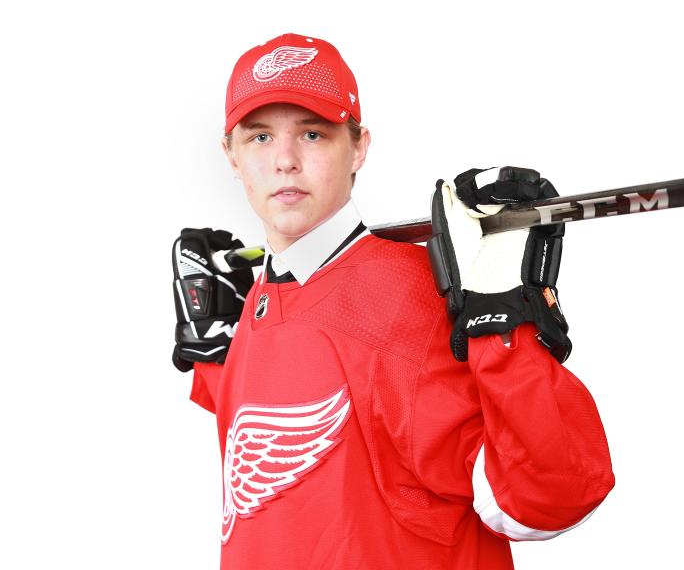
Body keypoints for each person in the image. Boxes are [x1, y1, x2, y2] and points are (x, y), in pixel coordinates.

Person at [171, 33, 615, 569]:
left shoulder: (406, 304)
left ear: (357, 147)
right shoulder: (264, 295)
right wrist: (216, 359)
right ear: (231, 155)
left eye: (312, 134)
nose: (285, 160)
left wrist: (506, 322)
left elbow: (546, 501)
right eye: (260, 137)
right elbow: (305, 436)